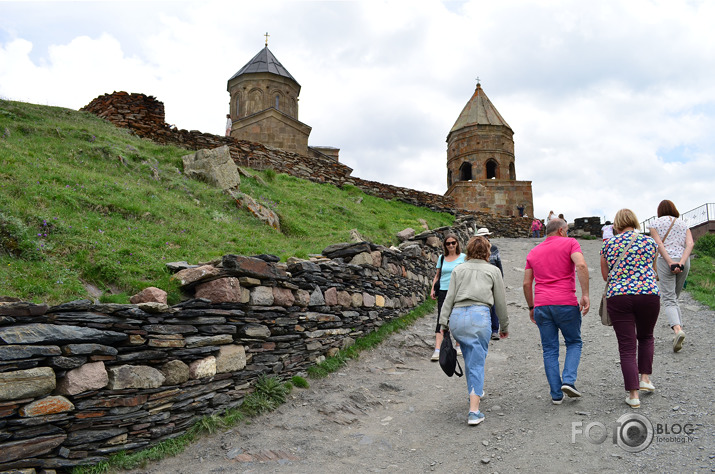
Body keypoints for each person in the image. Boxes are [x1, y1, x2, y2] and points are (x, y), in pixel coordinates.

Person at [439, 236, 509, 426]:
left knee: (471, 357)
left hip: (458, 317)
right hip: (479, 316)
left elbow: (449, 298)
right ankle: (474, 411)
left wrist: (443, 324)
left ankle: (475, 390)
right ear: (487, 251)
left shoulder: (458, 269)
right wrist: (504, 326)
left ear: (468, 250)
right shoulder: (493, 271)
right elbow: (500, 302)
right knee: (477, 361)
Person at [523, 218, 590, 404]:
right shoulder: (570, 243)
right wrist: (585, 294)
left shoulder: (534, 251)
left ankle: (556, 394)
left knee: (549, 349)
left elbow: (527, 282)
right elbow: (581, 265)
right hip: (566, 303)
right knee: (574, 342)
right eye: (566, 230)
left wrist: (531, 306)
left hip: (542, 306)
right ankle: (568, 380)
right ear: (561, 230)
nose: (567, 233)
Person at [600, 209, 660, 408]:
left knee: (626, 347)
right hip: (648, 294)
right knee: (646, 337)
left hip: (619, 296)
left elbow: (605, 276)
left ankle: (633, 395)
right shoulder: (650, 242)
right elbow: (654, 270)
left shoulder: (608, 244)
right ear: (634, 222)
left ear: (616, 224)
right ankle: (645, 379)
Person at [647, 200, 694, 352]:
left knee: (669, 299)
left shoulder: (654, 224)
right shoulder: (683, 224)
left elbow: (659, 245)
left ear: (659, 210)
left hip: (665, 261)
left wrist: (670, 262)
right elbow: (690, 244)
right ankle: (679, 329)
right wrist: (681, 262)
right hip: (684, 261)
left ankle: (677, 330)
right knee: (674, 297)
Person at [430, 233, 466, 361]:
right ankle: (438, 349)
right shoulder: (441, 258)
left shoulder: (463, 257)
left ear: (457, 243)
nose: (451, 245)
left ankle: (458, 345)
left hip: (458, 291)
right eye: (448, 243)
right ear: (445, 245)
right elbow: (437, 275)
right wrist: (433, 289)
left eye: (453, 243)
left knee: (458, 317)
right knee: (441, 318)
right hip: (443, 291)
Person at [475, 227, 504, 340]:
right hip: (479, 280)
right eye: (483, 236)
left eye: (486, 236)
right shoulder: (474, 249)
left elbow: (499, 264)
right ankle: (482, 329)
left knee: (494, 304)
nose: (485, 238)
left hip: (492, 280)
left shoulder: (494, 249)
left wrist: (500, 279)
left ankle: (495, 329)